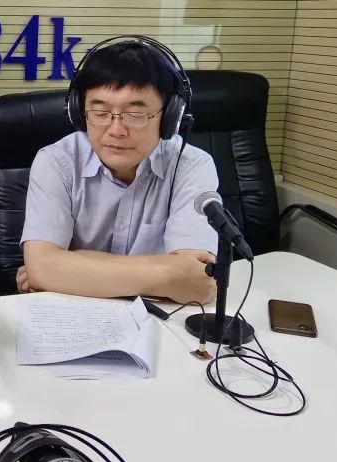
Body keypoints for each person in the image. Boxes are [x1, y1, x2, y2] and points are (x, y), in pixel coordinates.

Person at [18, 37, 219, 305]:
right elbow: (43, 269)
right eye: (100, 112)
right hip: (75, 316)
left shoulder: (192, 165)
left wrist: (67, 267)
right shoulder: (56, 161)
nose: (116, 130)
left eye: (135, 114)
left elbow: (196, 279)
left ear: (170, 117)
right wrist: (168, 273)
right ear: (79, 112)